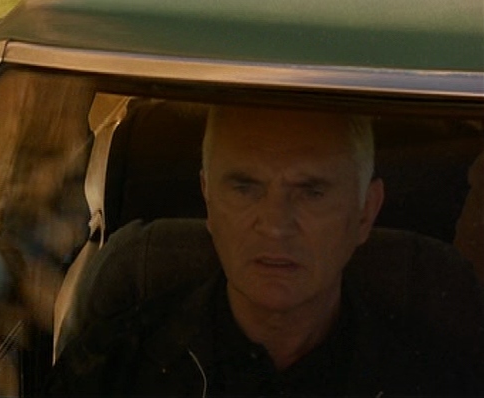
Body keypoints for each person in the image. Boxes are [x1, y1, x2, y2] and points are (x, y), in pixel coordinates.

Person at [47, 106, 483, 397]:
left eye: (311, 192)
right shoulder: (110, 373)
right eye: (245, 187)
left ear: (366, 212)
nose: (275, 224)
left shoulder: (436, 384)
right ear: (208, 200)